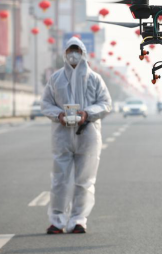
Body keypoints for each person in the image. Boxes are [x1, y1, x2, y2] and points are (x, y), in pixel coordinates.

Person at [41, 37, 112, 234]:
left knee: (85, 181)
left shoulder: (95, 79)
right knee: (60, 180)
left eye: (77, 50)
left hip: (87, 134)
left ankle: (79, 219)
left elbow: (106, 103)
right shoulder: (55, 79)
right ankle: (57, 220)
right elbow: (45, 104)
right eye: (70, 50)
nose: (73, 54)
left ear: (82, 53)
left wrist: (87, 114)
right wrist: (59, 115)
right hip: (62, 135)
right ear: (65, 53)